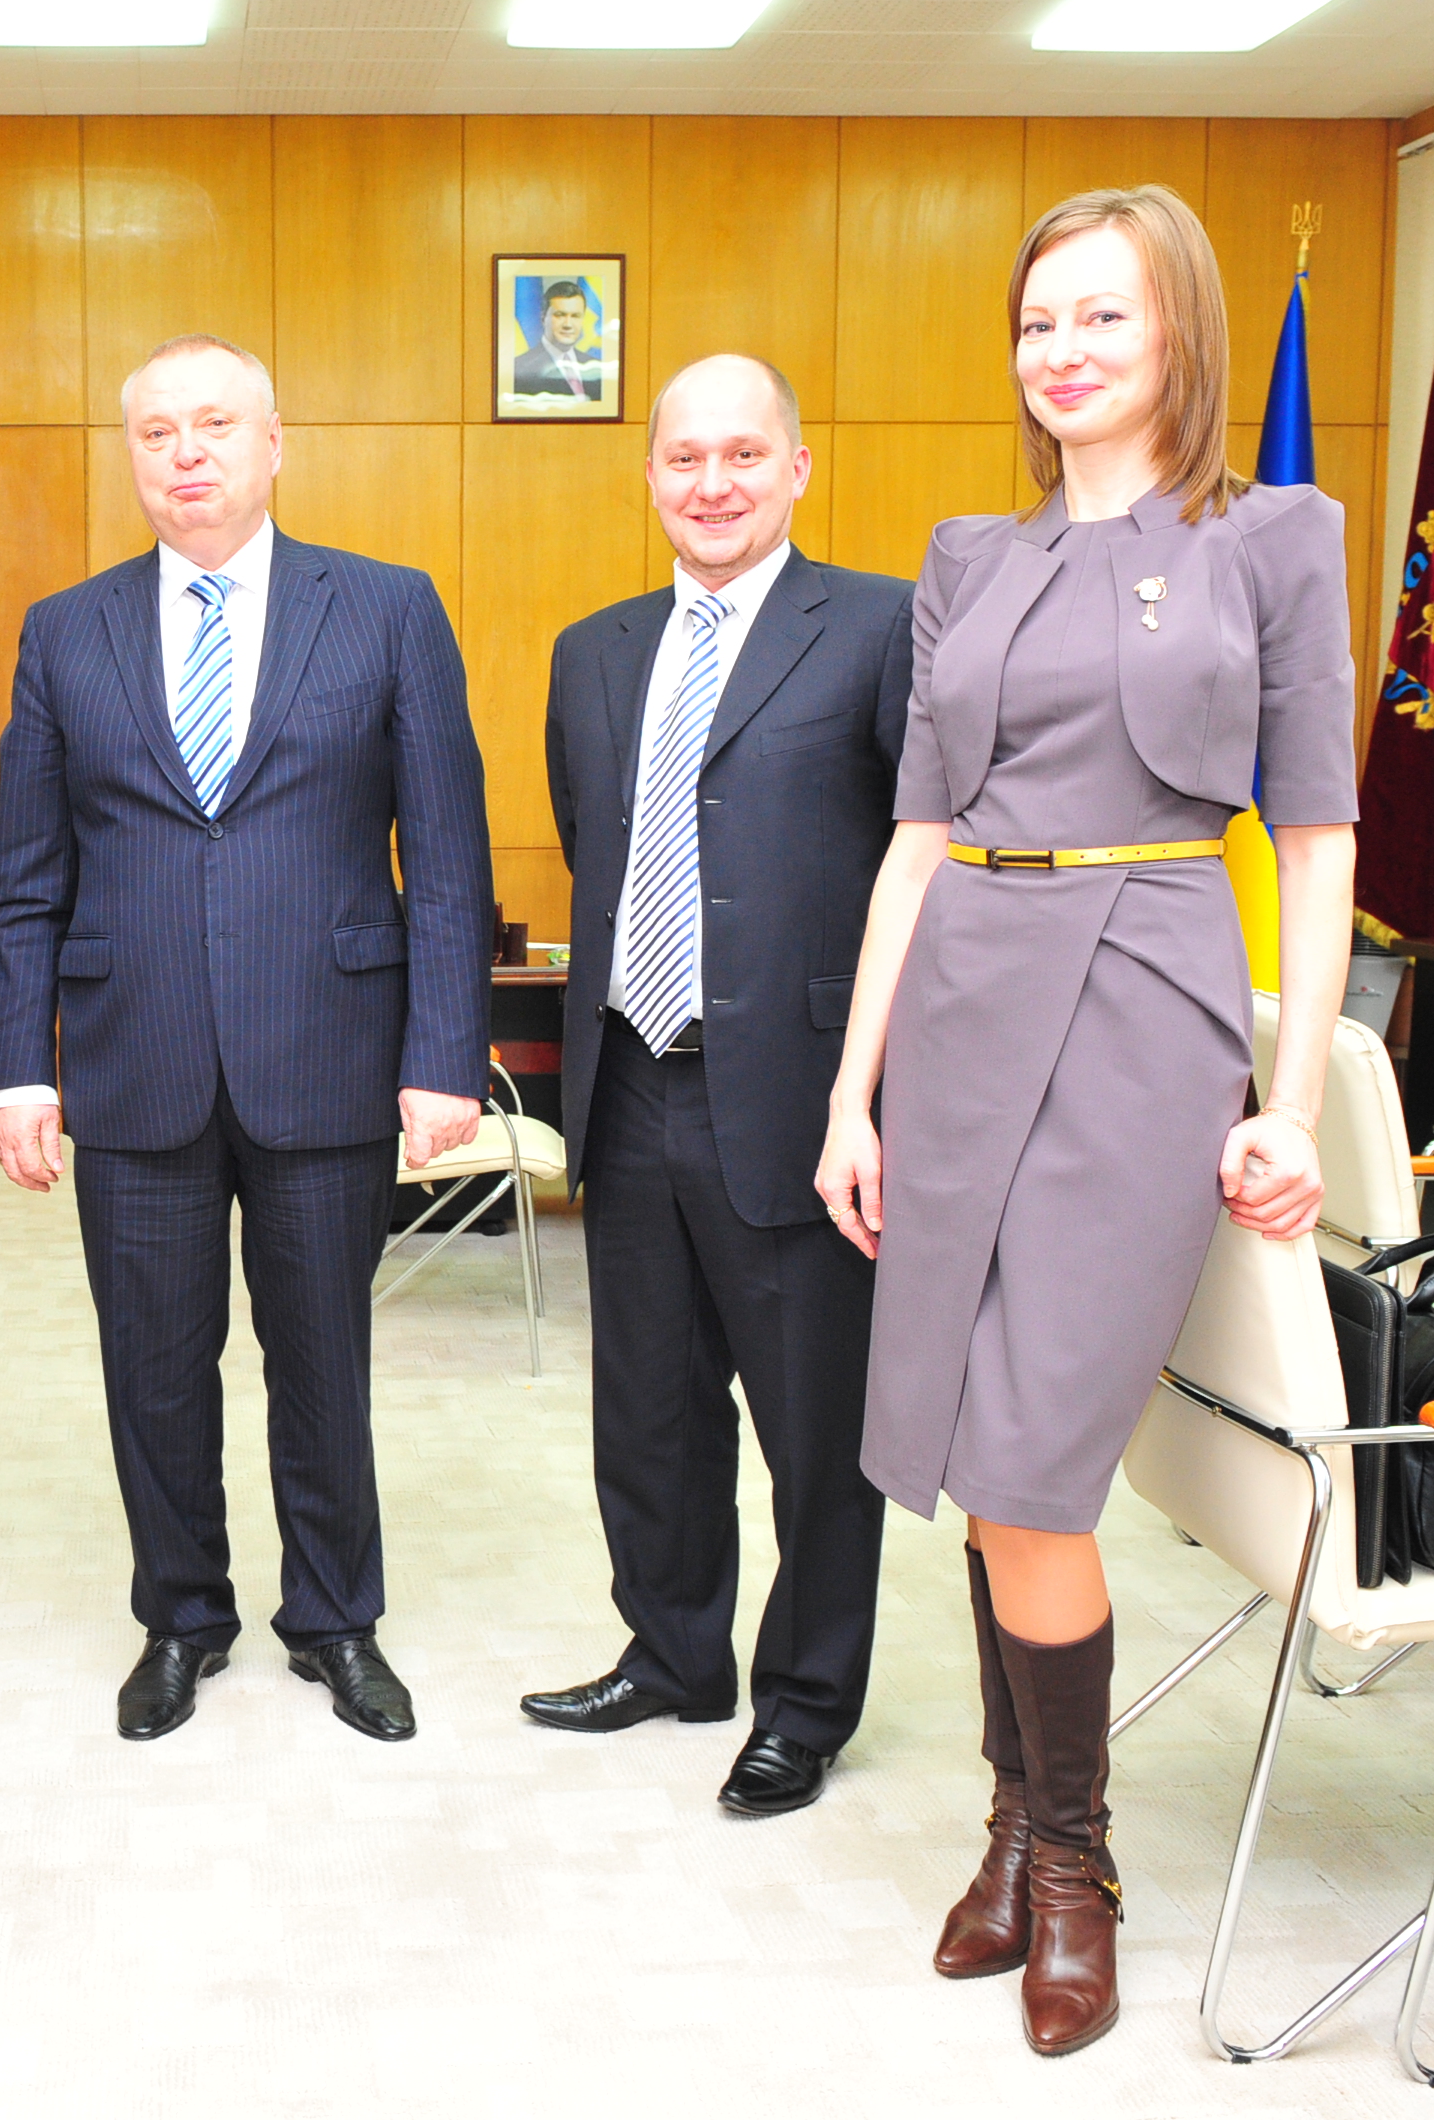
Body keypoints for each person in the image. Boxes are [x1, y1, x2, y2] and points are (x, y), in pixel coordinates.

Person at [815, 184, 1355, 2058]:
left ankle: (1072, 1870)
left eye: (1103, 315)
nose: (1062, 350)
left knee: (1037, 1460)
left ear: (1178, 330)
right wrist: (851, 1092)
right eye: (1038, 320)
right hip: (966, 984)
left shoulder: (1273, 538)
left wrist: (1291, 1102)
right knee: (974, 1459)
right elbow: (910, 841)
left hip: (1143, 986)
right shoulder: (968, 555)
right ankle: (1013, 1828)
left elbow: (1314, 836)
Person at [0, 334, 494, 1747]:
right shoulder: (65, 630)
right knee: (152, 1366)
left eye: (216, 424)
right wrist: (20, 1064)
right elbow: (26, 873)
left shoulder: (385, 608)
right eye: (157, 431)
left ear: (276, 444)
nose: (187, 452)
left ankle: (335, 1619)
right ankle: (180, 1616)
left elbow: (447, 854)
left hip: (326, 1051)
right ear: (132, 456)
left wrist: (443, 1052)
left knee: (321, 1359)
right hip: (132, 1059)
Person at [524, 355, 910, 1823]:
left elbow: (922, 862)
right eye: (684, 457)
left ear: (798, 467)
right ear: (649, 477)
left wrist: (873, 1094)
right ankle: (674, 1654)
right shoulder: (594, 650)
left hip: (803, 1095)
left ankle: (803, 1703)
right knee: (650, 1409)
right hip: (630, 1079)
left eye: (745, 454)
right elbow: (596, 840)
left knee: (814, 1430)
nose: (713, 482)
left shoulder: (878, 626)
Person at [511, 280, 602, 400]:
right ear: (543, 318)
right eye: (560, 315)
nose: (568, 324)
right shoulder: (518, 369)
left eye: (575, 316)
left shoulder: (598, 369)